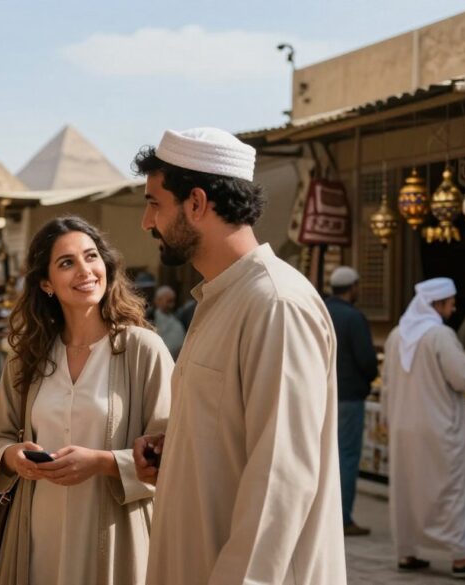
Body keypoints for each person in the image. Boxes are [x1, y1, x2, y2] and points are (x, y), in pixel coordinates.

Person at [130, 127, 346, 584]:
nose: (147, 223)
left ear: (196, 203)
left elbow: (281, 479)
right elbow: (235, 430)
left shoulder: (275, 303)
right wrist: (177, 446)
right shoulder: (221, 297)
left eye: (154, 203)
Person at [0, 216, 172, 585]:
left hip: (116, 535)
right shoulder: (28, 357)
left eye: (91, 257)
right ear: (46, 283)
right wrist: (12, 456)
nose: (85, 270)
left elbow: (174, 449)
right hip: (36, 532)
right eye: (67, 263)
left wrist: (102, 463)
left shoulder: (142, 350)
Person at [381, 277, 465, 578]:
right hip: (438, 428)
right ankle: (462, 559)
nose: (454, 307)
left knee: (409, 489)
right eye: (450, 302)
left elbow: (387, 385)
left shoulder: (396, 336)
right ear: (438, 304)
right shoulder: (440, 336)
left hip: (403, 427)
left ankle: (409, 552)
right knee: (450, 491)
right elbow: (463, 378)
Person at [324, 265, 378, 537]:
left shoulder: (321, 308)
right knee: (346, 457)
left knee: (324, 456)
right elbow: (367, 360)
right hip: (348, 397)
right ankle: (342, 518)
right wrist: (369, 379)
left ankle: (325, 517)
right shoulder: (353, 317)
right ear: (353, 286)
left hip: (321, 396)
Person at [151, 285, 185, 359]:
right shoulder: (148, 318)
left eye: (172, 301)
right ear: (158, 300)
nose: (171, 305)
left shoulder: (176, 323)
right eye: (168, 301)